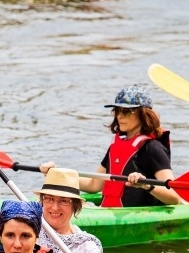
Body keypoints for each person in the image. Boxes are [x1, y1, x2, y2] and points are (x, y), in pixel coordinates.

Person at [41, 85, 181, 207]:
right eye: (117, 110)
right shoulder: (116, 146)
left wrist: (146, 185)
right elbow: (94, 184)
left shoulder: (153, 148)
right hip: (108, 210)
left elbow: (174, 197)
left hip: (138, 217)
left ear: (144, 114)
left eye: (127, 111)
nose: (120, 116)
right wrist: (56, 174)